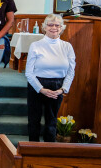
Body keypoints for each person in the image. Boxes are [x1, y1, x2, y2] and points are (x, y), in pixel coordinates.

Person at [25, 14, 76, 142]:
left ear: (61, 28)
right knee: (34, 121)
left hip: (57, 87)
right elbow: (29, 72)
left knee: (51, 123)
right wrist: (41, 89)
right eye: (50, 25)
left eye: (57, 25)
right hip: (37, 85)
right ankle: (32, 152)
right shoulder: (36, 45)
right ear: (44, 27)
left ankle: (47, 152)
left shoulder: (67, 46)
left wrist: (63, 89)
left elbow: (71, 71)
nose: (54, 27)